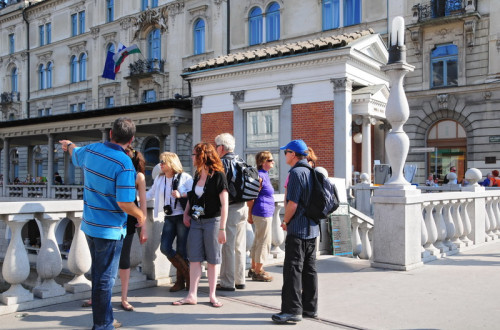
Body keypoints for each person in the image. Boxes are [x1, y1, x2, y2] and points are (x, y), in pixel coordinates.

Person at [60, 117, 146, 330]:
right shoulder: (124, 163)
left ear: (110, 133)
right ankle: (102, 325)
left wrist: (68, 144)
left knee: (100, 277)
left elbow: (75, 152)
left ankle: (105, 320)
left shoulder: (91, 150)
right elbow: (125, 203)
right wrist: (141, 215)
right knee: (104, 281)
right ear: (131, 139)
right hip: (109, 231)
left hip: (90, 226)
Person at [82, 146, 149, 312]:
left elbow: (143, 202)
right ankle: (96, 296)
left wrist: (144, 227)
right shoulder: (116, 170)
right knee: (100, 261)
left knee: (124, 260)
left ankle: (124, 298)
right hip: (109, 219)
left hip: (129, 220)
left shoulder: (138, 176)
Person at [173, 142, 228, 308]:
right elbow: (193, 197)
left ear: (203, 156)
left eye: (195, 154)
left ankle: (212, 295)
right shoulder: (197, 175)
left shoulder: (218, 176)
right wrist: (186, 212)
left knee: (212, 259)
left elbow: (224, 204)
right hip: (197, 221)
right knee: (194, 258)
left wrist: (222, 229)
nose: (192, 157)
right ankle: (192, 295)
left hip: (213, 221)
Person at [272, 139, 319, 324]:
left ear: (292, 154)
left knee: (292, 270)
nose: (284, 156)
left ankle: (292, 311)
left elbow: (292, 204)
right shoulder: (311, 171)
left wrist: (285, 221)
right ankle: (310, 308)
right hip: (312, 229)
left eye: (286, 152)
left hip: (298, 228)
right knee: (310, 270)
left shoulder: (296, 173)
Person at [146, 152, 193, 292]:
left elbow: (194, 196)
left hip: (182, 216)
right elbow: (150, 194)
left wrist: (181, 195)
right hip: (169, 217)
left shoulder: (185, 178)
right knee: (165, 247)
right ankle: (188, 274)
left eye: (163, 162)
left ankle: (180, 282)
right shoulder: (160, 179)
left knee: (182, 250)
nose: (160, 164)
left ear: (171, 163)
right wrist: (134, 197)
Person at [214, 133, 247, 291]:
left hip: (231, 207)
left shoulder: (222, 163)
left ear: (221, 148)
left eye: (216, 146)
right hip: (243, 206)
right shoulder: (241, 160)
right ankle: (240, 279)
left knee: (227, 246)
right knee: (240, 245)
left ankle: (227, 282)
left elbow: (218, 187)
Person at [247, 151, 275, 282]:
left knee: (258, 240)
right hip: (262, 212)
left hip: (264, 212)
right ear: (263, 162)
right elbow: (251, 197)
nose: (273, 162)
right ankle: (259, 271)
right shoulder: (259, 176)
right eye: (270, 160)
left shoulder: (265, 175)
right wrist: (249, 214)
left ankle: (253, 268)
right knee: (264, 241)